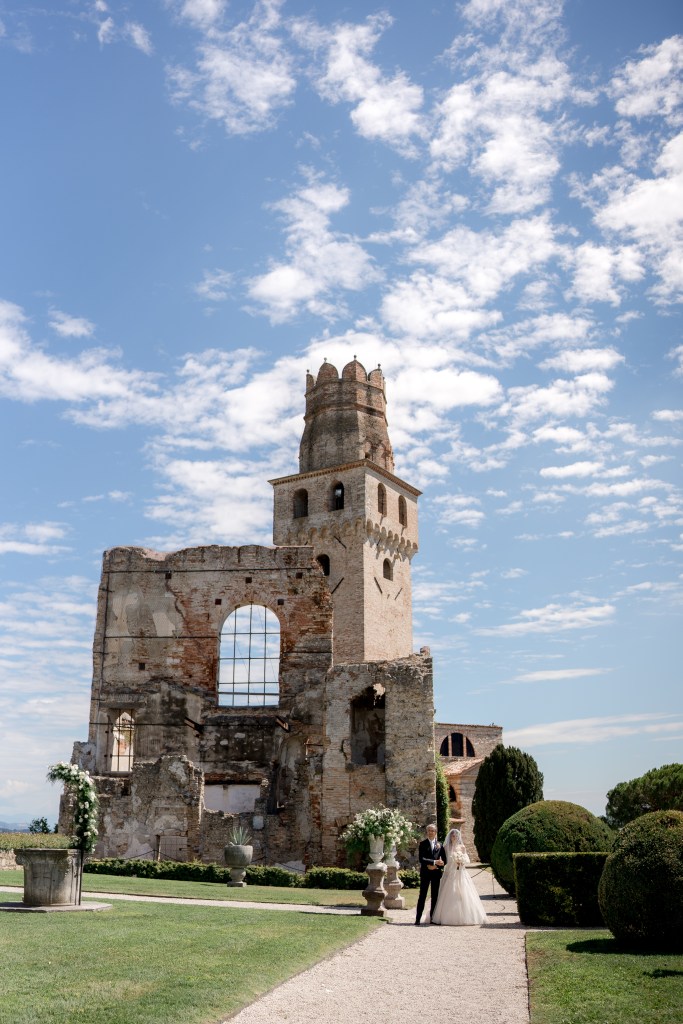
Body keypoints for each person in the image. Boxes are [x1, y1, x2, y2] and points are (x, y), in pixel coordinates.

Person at [431, 828, 487, 926]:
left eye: (456, 836)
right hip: (450, 872)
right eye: (453, 836)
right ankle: (447, 916)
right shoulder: (446, 847)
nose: (454, 837)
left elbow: (467, 859)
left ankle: (468, 916)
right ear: (450, 837)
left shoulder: (462, 847)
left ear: (458, 837)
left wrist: (461, 861)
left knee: (464, 892)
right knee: (450, 891)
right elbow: (443, 859)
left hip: (461, 872)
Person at [415, 823, 447, 925]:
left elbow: (445, 860)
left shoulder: (440, 845)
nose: (430, 832)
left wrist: (437, 866)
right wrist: (434, 862)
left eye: (432, 831)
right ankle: (417, 919)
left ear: (435, 832)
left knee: (435, 896)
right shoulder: (422, 844)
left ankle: (433, 918)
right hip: (425, 873)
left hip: (436, 874)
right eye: (429, 830)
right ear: (427, 832)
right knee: (422, 896)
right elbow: (422, 859)